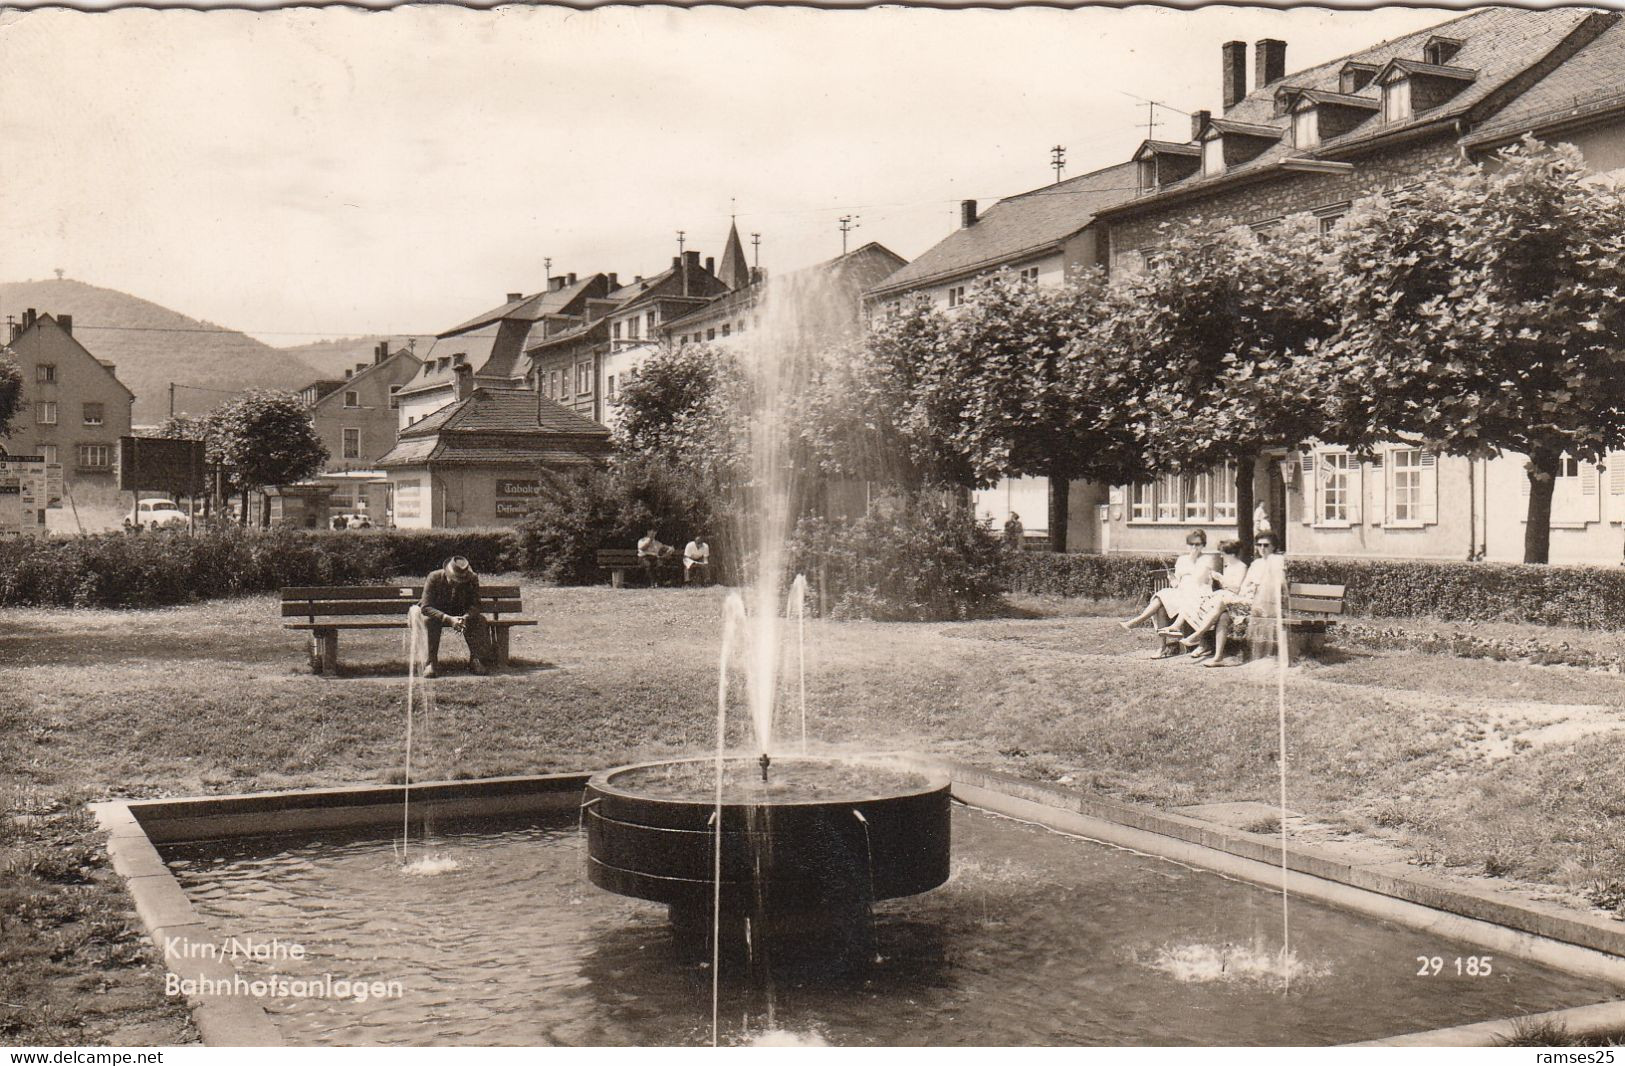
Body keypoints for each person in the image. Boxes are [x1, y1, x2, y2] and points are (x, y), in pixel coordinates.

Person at [1121, 530, 1214, 656]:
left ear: (1203, 545)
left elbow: (1199, 580)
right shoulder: (1182, 560)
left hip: (1200, 594)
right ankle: (1155, 640)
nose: (1194, 547)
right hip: (1182, 592)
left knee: (1185, 596)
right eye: (1191, 544)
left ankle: (1139, 623)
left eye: (1197, 544)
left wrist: (1192, 559)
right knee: (1161, 596)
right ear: (1187, 544)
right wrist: (1173, 580)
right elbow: (1177, 584)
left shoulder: (1207, 559)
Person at [1204, 532, 1285, 667]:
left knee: (1222, 602)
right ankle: (1218, 658)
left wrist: (1260, 584)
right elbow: (1244, 586)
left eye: (1266, 545)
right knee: (1224, 616)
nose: (1262, 548)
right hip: (1250, 603)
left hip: (1267, 605)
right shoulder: (1256, 564)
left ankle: (1199, 634)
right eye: (1259, 545)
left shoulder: (1277, 562)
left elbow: (1280, 584)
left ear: (1274, 547)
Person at [1171, 539, 1248, 659]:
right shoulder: (1229, 566)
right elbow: (1226, 587)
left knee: (1214, 606)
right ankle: (1203, 643)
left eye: (1223, 554)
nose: (1222, 557)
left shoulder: (1241, 567)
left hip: (1236, 601)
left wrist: (1221, 578)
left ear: (1232, 554)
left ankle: (1198, 636)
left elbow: (1236, 589)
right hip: (1226, 600)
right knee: (1200, 601)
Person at [418, 556, 492, 678]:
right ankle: (431, 663)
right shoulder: (433, 577)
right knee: (429, 621)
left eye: (460, 580)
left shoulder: (472, 578)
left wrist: (465, 617)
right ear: (447, 573)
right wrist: (448, 618)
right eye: (453, 579)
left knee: (480, 620)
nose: (457, 583)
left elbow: (476, 605)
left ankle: (476, 660)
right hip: (438, 613)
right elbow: (425, 607)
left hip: (461, 613)